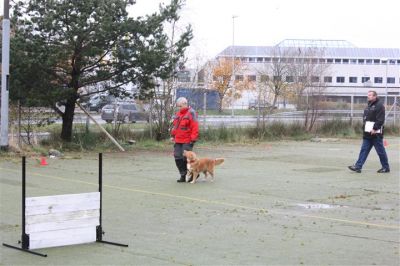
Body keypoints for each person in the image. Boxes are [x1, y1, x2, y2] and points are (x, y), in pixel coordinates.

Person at [348, 90, 390, 173]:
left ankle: (386, 167)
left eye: (370, 95)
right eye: (368, 95)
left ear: (375, 96)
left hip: (376, 134)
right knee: (364, 150)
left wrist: (375, 128)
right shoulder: (368, 105)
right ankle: (358, 166)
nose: (368, 96)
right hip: (367, 133)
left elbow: (380, 119)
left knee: (380, 152)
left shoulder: (379, 106)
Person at [171, 97, 199, 182]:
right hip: (178, 139)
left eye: (180, 106)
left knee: (185, 158)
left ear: (185, 104)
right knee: (177, 157)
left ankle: (193, 174)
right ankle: (183, 175)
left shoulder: (191, 113)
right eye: (178, 106)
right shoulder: (178, 113)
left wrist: (193, 139)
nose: (179, 108)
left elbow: (195, 126)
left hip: (187, 140)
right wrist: (173, 135)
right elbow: (175, 126)